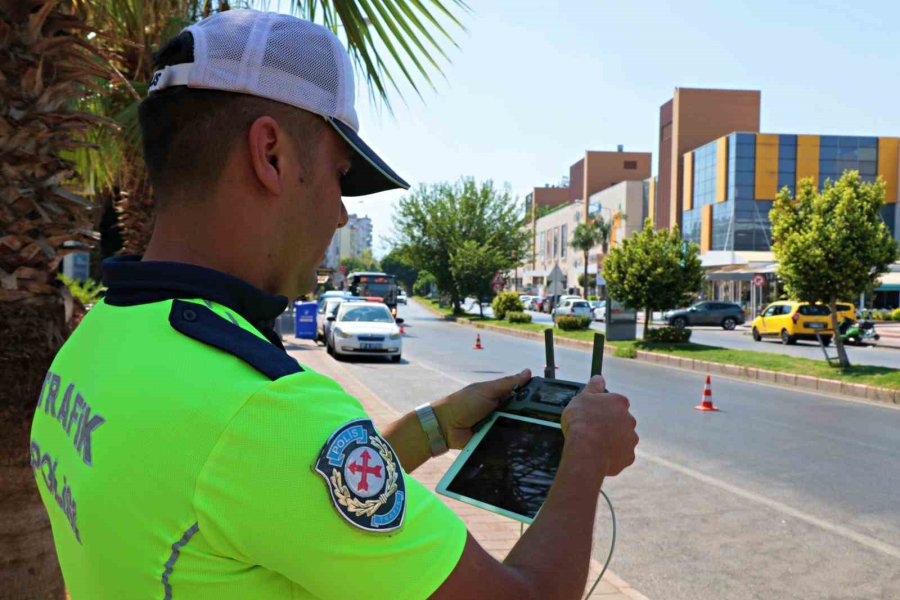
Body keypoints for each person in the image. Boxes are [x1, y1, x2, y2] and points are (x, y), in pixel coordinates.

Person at [29, 10, 638, 599]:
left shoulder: (100, 333)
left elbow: (271, 496)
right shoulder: (261, 408)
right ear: (270, 154)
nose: (340, 211)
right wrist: (585, 452)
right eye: (339, 175)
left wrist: (432, 427)